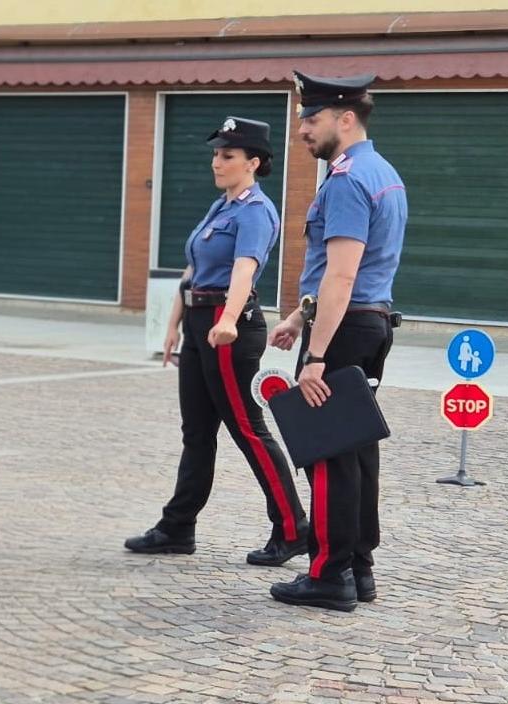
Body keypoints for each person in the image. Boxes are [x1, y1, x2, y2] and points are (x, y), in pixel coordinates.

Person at [124, 117, 308, 567]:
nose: (217, 162)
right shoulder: (222, 207)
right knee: (197, 434)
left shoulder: (256, 211)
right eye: (215, 154)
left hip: (230, 329)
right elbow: (192, 272)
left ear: (254, 162)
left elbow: (244, 271)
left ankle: (292, 527)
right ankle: (177, 527)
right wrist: (173, 324)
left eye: (227, 155)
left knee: (247, 429)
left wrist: (225, 321)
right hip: (200, 324)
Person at [268, 71, 407, 612]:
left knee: (328, 454)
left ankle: (329, 575)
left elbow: (342, 275)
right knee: (356, 450)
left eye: (312, 118)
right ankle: (360, 570)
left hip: (344, 328)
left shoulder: (347, 179)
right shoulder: (383, 173)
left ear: (345, 119)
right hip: (369, 321)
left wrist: (317, 355)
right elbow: (357, 273)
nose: (302, 128)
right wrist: (300, 318)